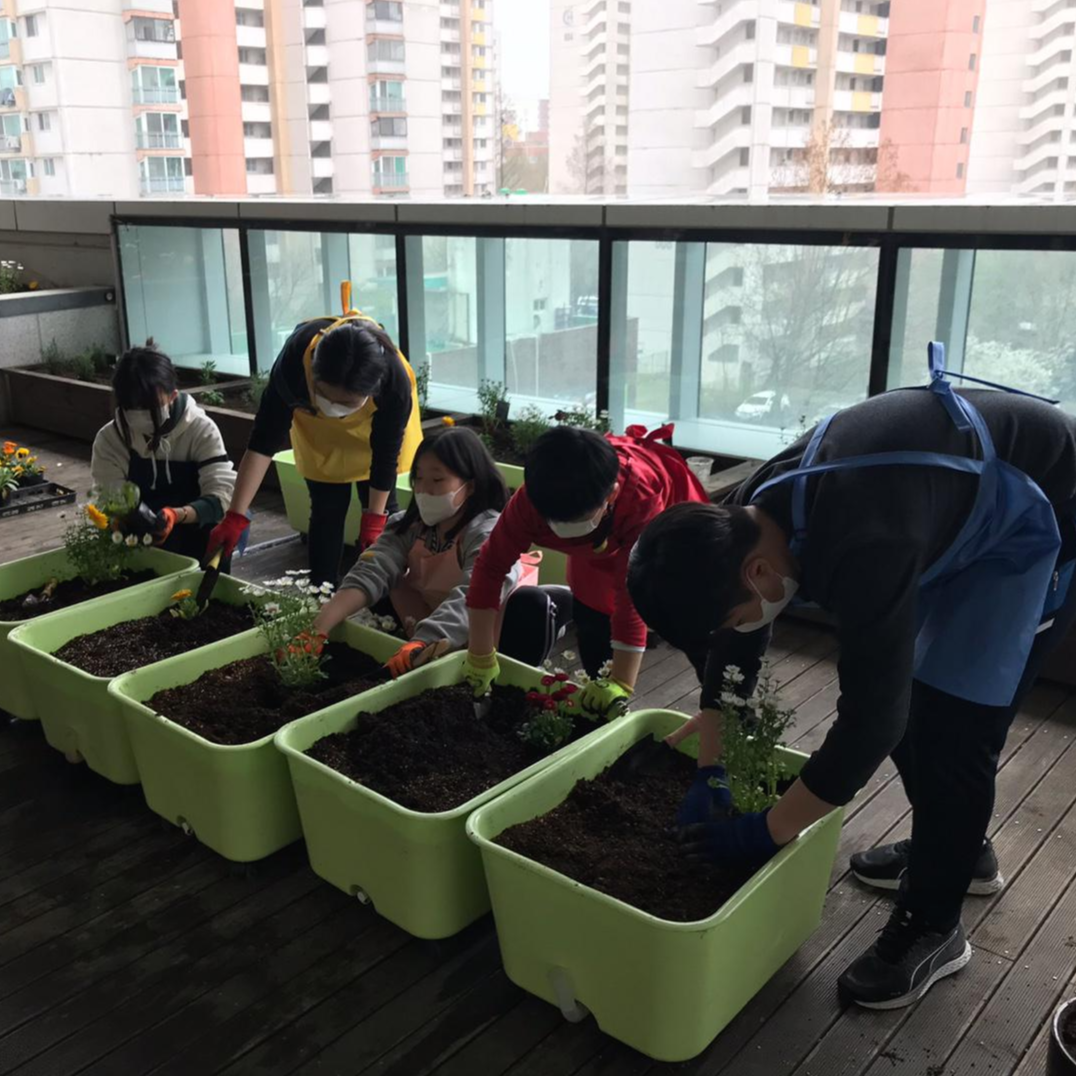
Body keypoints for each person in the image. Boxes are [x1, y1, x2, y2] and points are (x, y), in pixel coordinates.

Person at [626, 344, 1076, 1011]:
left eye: (736, 613)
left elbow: (870, 720)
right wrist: (710, 766)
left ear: (756, 573)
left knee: (954, 731)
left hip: (1045, 512)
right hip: (948, 509)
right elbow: (741, 637)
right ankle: (958, 850)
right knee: (912, 705)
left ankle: (935, 924)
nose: (743, 624)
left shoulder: (863, 538)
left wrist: (766, 831)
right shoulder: (746, 516)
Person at [462, 423, 709, 716]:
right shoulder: (533, 500)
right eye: (553, 520)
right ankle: (600, 704)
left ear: (611, 496)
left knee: (694, 628)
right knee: (593, 620)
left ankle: (721, 704)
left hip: (666, 544)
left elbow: (631, 592)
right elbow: (491, 567)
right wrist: (480, 653)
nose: (562, 528)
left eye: (576, 519)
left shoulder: (640, 497)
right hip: (595, 551)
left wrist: (622, 681)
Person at [206, 284, 423, 583]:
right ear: (315, 375)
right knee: (326, 511)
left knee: (383, 521)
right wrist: (236, 514)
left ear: (371, 391)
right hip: (321, 439)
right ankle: (320, 593)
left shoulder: (393, 381)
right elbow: (263, 442)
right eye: (327, 397)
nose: (337, 409)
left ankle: (383, 601)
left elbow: (385, 456)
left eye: (348, 403)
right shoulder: (294, 361)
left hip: (373, 443)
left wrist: (374, 521)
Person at [312, 426, 571, 675]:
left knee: (530, 605)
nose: (424, 489)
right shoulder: (408, 525)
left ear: (470, 485)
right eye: (418, 478)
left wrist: (426, 640)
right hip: (433, 621)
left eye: (437, 479)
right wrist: (318, 629)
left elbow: (474, 594)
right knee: (381, 581)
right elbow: (372, 568)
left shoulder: (489, 532)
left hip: (490, 626)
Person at [91, 343, 236, 561]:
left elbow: (221, 496)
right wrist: (119, 518)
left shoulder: (201, 430)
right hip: (139, 536)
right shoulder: (111, 439)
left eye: (150, 406)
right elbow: (108, 495)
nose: (140, 413)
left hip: (195, 526)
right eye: (132, 407)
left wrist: (176, 515)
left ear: (172, 396)